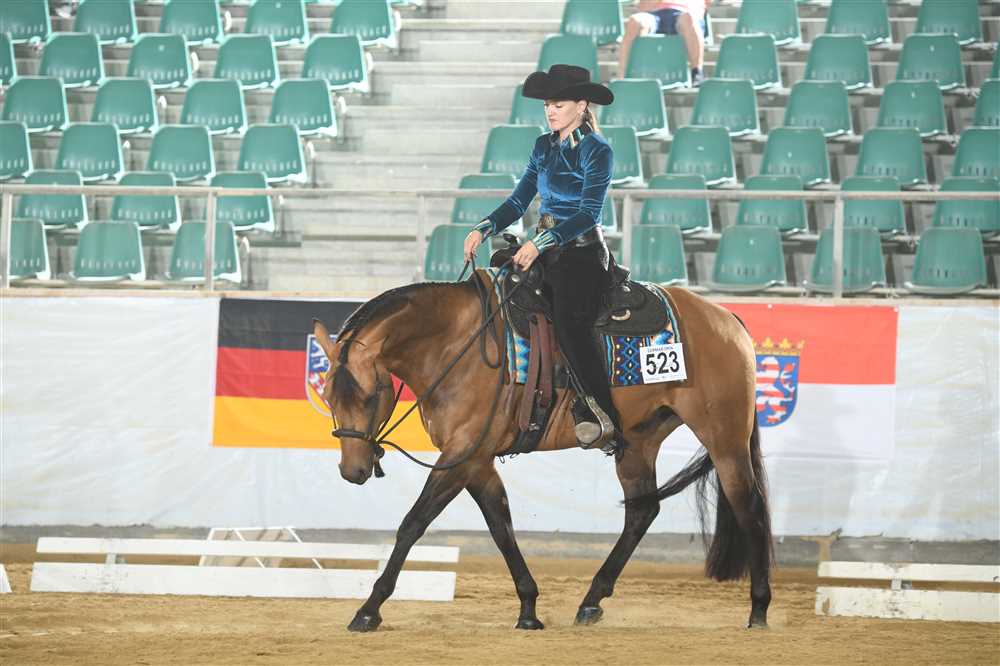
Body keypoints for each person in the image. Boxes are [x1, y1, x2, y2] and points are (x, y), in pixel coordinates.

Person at [463, 64, 622, 454]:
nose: (550, 111)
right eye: (548, 104)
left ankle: (601, 412)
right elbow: (519, 201)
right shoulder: (543, 146)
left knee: (569, 322)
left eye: (559, 104)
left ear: (581, 106)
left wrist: (541, 242)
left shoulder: (597, 150)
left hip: (582, 253)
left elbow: (588, 213)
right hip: (546, 249)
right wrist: (483, 227)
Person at [617, 0, 711, 85]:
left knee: (688, 18)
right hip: (654, 14)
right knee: (635, 21)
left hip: (685, 12)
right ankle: (622, 78)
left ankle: (697, 73)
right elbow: (643, 6)